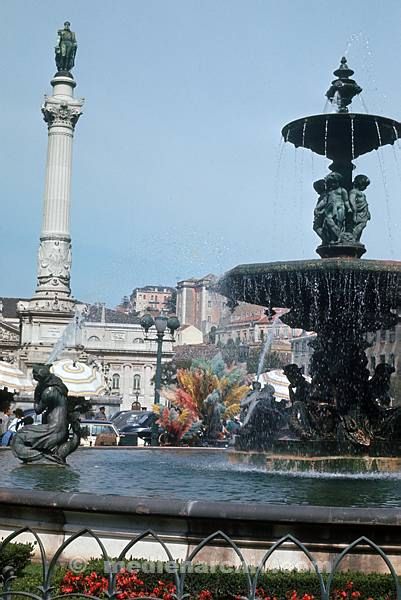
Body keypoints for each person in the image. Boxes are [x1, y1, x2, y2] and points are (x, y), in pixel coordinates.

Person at [348, 174, 371, 242]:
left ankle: (356, 239)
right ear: (359, 184)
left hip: (363, 213)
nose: (365, 188)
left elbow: (365, 203)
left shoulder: (360, 193)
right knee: (359, 225)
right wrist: (354, 213)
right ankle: (353, 237)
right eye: (364, 185)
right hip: (358, 213)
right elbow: (352, 201)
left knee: (362, 225)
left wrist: (368, 213)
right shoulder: (353, 191)